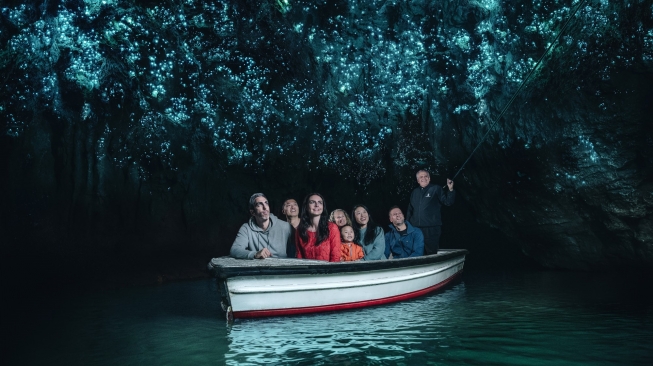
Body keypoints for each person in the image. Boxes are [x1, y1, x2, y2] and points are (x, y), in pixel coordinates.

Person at [406, 170, 455, 255]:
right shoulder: (414, 192)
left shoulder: (436, 188)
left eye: (426, 176)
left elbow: (448, 202)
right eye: (421, 177)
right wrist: (407, 225)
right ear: (418, 180)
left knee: (431, 252)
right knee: (415, 251)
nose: (424, 178)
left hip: (431, 228)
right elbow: (410, 210)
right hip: (416, 228)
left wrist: (450, 189)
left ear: (429, 178)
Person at [230, 193, 292, 259]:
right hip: (258, 268)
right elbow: (235, 250)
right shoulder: (246, 228)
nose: (265, 207)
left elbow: (297, 249)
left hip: (281, 268)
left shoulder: (285, 226)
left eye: (266, 203)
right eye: (259, 205)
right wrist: (255, 254)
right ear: (252, 212)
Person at [295, 193, 341, 262]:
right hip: (307, 271)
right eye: (312, 202)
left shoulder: (332, 227)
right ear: (306, 207)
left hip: (328, 271)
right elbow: (299, 256)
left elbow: (335, 256)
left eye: (320, 202)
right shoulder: (300, 230)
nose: (317, 205)